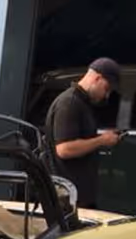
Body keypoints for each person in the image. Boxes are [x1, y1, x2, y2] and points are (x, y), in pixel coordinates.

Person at [45, 57, 123, 209]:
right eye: (107, 88)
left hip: (77, 196)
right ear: (97, 78)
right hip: (67, 199)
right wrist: (101, 140)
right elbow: (64, 149)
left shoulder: (82, 104)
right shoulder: (69, 103)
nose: (106, 95)